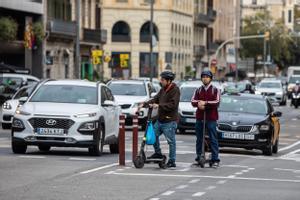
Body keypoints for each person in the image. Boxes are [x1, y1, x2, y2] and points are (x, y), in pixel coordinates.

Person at [138, 71, 180, 168]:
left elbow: (173, 105)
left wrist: (159, 106)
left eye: (163, 80)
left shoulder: (175, 90)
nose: (161, 81)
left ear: (169, 81)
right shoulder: (163, 90)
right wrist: (144, 104)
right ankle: (158, 153)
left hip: (169, 121)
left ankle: (172, 161)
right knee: (153, 136)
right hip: (160, 120)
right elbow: (155, 99)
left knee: (171, 141)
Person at [191, 70, 221, 167]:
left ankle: (215, 159)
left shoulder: (215, 90)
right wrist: (199, 103)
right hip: (200, 117)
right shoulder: (198, 90)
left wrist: (206, 103)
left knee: (213, 138)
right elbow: (193, 101)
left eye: (207, 77)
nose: (205, 78)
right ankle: (199, 156)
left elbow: (216, 102)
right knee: (199, 138)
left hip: (211, 118)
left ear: (210, 79)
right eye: (203, 76)